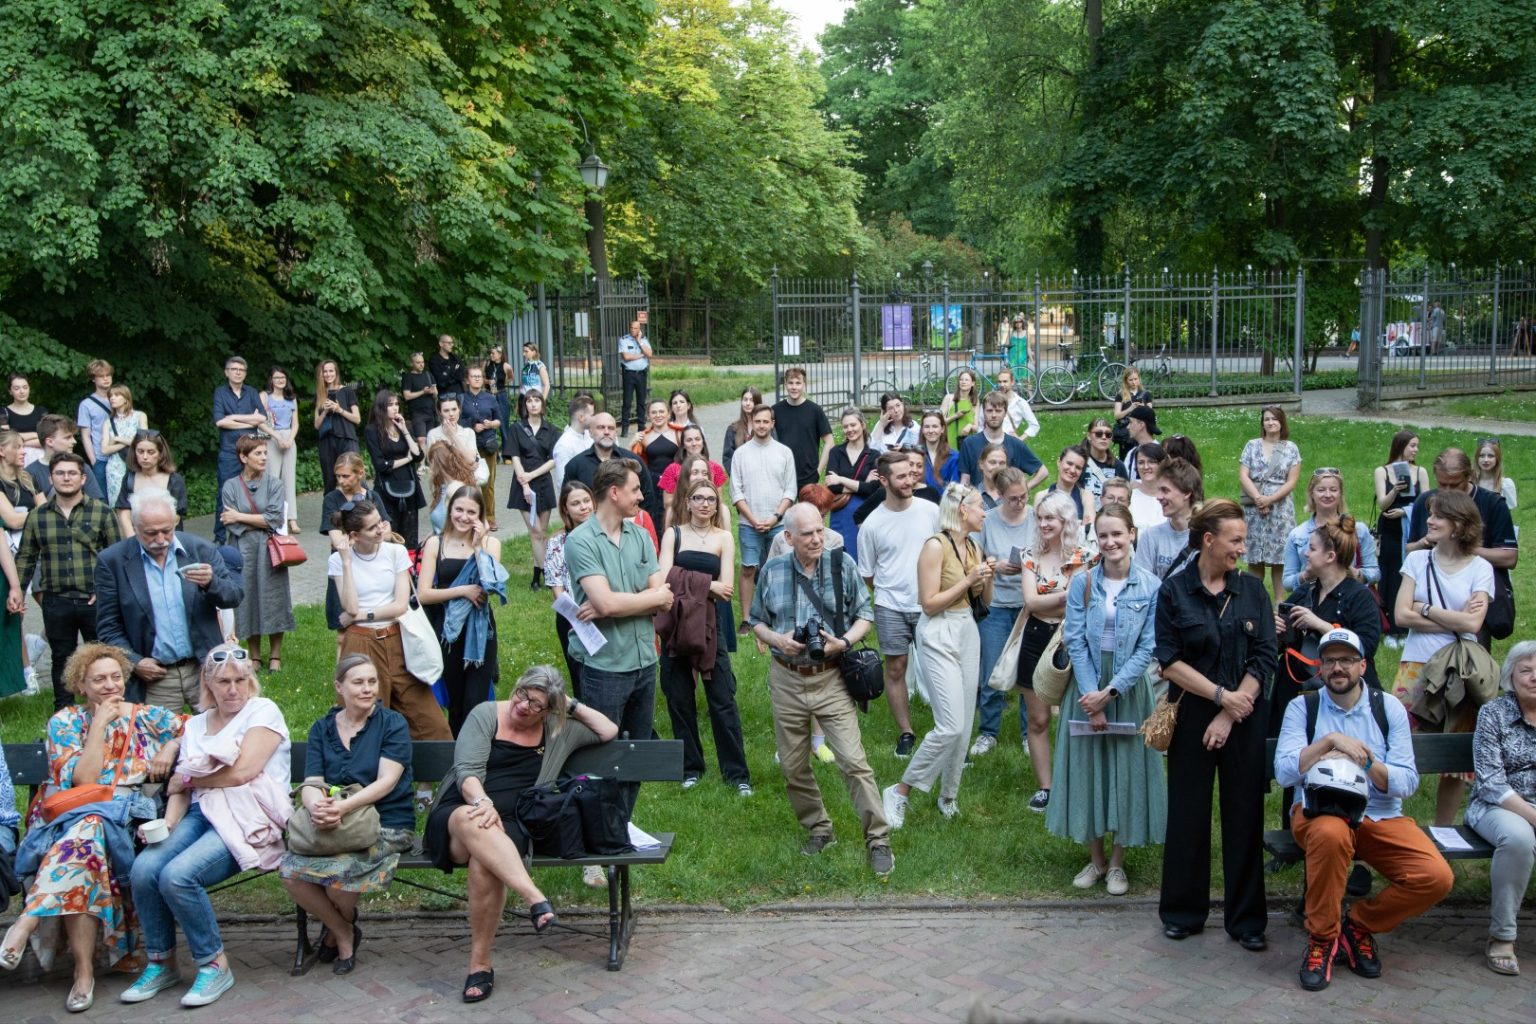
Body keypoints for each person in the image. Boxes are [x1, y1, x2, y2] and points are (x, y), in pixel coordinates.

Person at [1, 645, 182, 1013]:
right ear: (80, 685)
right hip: (68, 821)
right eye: (98, 679)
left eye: (116, 677)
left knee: (89, 833)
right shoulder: (65, 723)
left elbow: (201, 726)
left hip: (122, 823)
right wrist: (99, 724)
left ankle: (28, 922)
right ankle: (83, 973)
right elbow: (83, 782)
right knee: (87, 838)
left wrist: (173, 745)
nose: (110, 686)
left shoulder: (146, 716)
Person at [422, 666, 617, 1003]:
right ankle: (534, 899)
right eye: (523, 694)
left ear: (550, 711)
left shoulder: (558, 730)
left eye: (537, 705)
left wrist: (568, 705)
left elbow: (608, 729)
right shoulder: (485, 715)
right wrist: (483, 802)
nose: (524, 706)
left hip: (513, 822)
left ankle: (480, 966)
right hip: (461, 810)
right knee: (474, 820)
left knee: (486, 863)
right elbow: (466, 772)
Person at [1275, 627, 1451, 992]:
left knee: (1435, 877)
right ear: (1320, 668)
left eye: (1347, 660)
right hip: (1317, 812)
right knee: (1330, 832)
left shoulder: (1388, 709)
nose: (1338, 668)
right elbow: (1283, 772)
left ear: (1363, 666)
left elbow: (1406, 781)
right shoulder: (1302, 706)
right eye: (1330, 661)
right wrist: (1327, 743)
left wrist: (1366, 762)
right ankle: (1322, 938)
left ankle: (1359, 925)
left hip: (1380, 814)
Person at [124, 645, 291, 1008]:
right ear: (208, 683)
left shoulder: (263, 711)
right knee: (144, 868)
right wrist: (166, 824)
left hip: (247, 818)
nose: (233, 689)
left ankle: (214, 964)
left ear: (251, 681)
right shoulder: (197, 724)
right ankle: (161, 962)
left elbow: (243, 772)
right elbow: (181, 792)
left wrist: (187, 781)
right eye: (224, 682)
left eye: (241, 680)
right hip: (201, 815)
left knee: (178, 876)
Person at [1157, 499, 1277, 948]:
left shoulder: (1252, 591)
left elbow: (1265, 655)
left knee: (1243, 814)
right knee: (1187, 812)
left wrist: (1230, 710)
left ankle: (1246, 922)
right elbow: (1168, 660)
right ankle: (1183, 912)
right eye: (1236, 541)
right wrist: (1217, 698)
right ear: (1209, 540)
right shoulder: (1174, 592)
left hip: (1244, 715)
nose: (1242, 550)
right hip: (1191, 714)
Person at [749, 503, 894, 876]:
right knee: (794, 766)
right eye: (808, 534)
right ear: (788, 537)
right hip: (787, 677)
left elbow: (866, 614)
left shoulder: (840, 564)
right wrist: (778, 639)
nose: (817, 539)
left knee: (854, 762)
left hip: (831, 675)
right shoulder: (773, 569)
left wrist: (843, 643)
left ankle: (878, 839)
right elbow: (755, 621)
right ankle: (819, 829)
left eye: (820, 531)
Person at [1048, 503, 1165, 895]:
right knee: (1088, 770)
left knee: (1126, 772)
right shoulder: (1083, 583)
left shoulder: (1151, 586)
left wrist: (1112, 692)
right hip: (1086, 687)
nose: (1111, 541)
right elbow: (1076, 640)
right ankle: (1095, 859)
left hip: (1128, 690)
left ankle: (1117, 863)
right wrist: (1090, 695)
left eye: (1118, 533)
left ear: (1132, 534)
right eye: (1103, 535)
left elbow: (1148, 648)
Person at [280, 654, 416, 975]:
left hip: (386, 825)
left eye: (372, 681)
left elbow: (386, 782)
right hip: (335, 825)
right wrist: (317, 808)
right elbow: (312, 781)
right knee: (289, 873)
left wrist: (341, 807)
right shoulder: (321, 729)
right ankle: (344, 930)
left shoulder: (392, 724)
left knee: (337, 882)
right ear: (339, 687)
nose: (367, 689)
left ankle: (336, 935)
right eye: (358, 682)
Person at [564, 459, 674, 816]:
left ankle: (619, 830)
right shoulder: (581, 541)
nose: (642, 496)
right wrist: (624, 602)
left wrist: (615, 604)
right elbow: (613, 602)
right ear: (614, 493)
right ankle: (594, 846)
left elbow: (664, 597)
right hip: (605, 666)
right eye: (635, 489)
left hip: (645, 661)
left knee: (634, 757)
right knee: (601, 759)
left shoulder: (641, 534)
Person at [882, 482, 993, 828]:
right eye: (979, 505)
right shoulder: (935, 546)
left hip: (966, 630)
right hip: (938, 631)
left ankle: (949, 796)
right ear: (962, 509)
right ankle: (899, 791)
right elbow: (928, 604)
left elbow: (984, 602)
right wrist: (969, 579)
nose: (984, 512)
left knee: (964, 726)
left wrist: (987, 575)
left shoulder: (974, 546)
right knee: (949, 725)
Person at [1393, 489, 1493, 825]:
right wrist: (1452, 615)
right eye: (1430, 514)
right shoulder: (1417, 560)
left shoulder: (1481, 568)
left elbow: (1473, 623)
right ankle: (1391, 824)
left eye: (1438, 516)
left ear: (1459, 524)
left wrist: (1424, 608)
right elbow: (1400, 616)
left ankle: (1443, 832)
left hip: (1460, 671)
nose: (1429, 521)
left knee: (1455, 755)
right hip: (1416, 665)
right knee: (1398, 742)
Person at [95, 489, 244, 709]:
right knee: (161, 740)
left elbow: (233, 596)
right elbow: (108, 627)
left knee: (218, 737)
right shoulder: (112, 561)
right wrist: (135, 662)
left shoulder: (199, 549)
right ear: (135, 528)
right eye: (151, 533)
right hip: (156, 676)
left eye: (167, 530)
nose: (161, 539)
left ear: (175, 522)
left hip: (204, 669)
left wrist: (212, 583)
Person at [657, 477, 751, 795]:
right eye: (698, 498)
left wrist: (698, 585)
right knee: (680, 700)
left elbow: (725, 589)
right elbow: (663, 578)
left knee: (723, 700)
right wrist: (705, 585)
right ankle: (691, 768)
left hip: (710, 626)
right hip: (676, 625)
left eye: (710, 499)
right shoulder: (674, 534)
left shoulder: (724, 537)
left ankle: (737, 775)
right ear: (687, 502)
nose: (705, 504)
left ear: (716, 504)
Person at [329, 500, 452, 740]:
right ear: (355, 535)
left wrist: (361, 615)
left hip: (397, 639)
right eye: (373, 527)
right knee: (362, 717)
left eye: (381, 521)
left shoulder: (395, 553)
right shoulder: (338, 561)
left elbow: (398, 606)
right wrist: (345, 560)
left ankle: (428, 777)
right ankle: (367, 773)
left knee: (431, 722)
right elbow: (350, 606)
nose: (382, 528)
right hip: (360, 644)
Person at [14, 452, 118, 710]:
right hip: (56, 600)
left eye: (72, 473)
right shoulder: (38, 517)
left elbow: (116, 556)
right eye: (60, 473)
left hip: (94, 598)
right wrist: (16, 590)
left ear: (83, 478)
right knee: (62, 657)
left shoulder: (102, 512)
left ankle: (108, 708)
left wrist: (106, 591)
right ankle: (64, 713)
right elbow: (26, 557)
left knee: (103, 656)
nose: (66, 478)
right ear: (51, 478)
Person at [858, 451, 941, 758]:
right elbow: (868, 574)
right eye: (902, 476)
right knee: (895, 668)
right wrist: (892, 591)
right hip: (890, 606)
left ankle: (945, 730)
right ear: (884, 480)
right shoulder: (872, 524)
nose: (910, 481)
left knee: (937, 668)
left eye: (911, 474)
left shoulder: (931, 511)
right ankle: (906, 732)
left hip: (929, 604)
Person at [1017, 491, 1090, 810]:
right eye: (1041, 517)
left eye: (1051, 518)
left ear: (1066, 521)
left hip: (1071, 640)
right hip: (1035, 637)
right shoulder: (1029, 555)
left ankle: (1077, 781)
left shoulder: (1084, 556)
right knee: (1038, 718)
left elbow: (1084, 603)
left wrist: (1059, 599)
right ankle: (1046, 787)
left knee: (1075, 715)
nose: (1044, 523)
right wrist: (1065, 596)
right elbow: (1031, 602)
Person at [1404, 447, 1518, 649]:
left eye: (1454, 485)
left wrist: (1462, 545)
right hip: (1431, 597)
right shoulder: (1425, 501)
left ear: (1469, 476)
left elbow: (1509, 557)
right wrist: (1425, 543)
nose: (1447, 492)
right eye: (1442, 485)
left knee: (1471, 669)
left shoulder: (1492, 503)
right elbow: (1410, 548)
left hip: (1472, 600)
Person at [1468, 642, 1536, 977]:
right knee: (1519, 838)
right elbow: (1491, 782)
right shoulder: (1493, 714)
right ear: (1511, 676)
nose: (1535, 677)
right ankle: (1502, 938)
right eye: (1526, 670)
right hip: (1497, 806)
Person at [419, 486, 505, 736]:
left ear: (480, 516)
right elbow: (424, 593)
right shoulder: (436, 543)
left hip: (479, 630)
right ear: (449, 510)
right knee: (455, 702)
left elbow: (490, 586)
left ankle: (478, 757)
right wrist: (463, 591)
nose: (464, 517)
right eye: (459, 509)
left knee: (476, 702)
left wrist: (478, 548)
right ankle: (458, 760)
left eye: (471, 512)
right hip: (447, 631)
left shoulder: (491, 544)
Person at [971, 467, 1033, 757]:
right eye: (1013, 499)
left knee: (1028, 673)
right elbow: (976, 559)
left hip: (1029, 604)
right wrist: (995, 565)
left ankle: (1029, 733)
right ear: (1000, 496)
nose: (1019, 503)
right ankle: (988, 732)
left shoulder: (1035, 517)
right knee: (992, 671)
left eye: (1023, 497)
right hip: (996, 603)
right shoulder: (988, 521)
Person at [219, 434, 294, 672]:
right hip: (242, 549)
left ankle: (275, 655)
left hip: (270, 548)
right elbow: (229, 523)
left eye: (265, 453)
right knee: (247, 597)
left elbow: (274, 519)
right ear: (243, 457)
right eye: (258, 453)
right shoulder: (230, 485)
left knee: (273, 597)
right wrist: (257, 521)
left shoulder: (275, 484)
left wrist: (241, 516)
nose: (264, 457)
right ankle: (254, 655)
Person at [730, 404, 797, 633]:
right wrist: (753, 518)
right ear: (752, 423)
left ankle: (776, 615)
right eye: (757, 421)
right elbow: (736, 492)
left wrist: (776, 516)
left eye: (765, 421)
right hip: (749, 523)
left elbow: (790, 489)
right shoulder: (741, 454)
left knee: (779, 568)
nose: (761, 425)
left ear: (772, 424)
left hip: (778, 523)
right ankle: (748, 618)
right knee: (749, 568)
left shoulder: (784, 452)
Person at [563, 412, 661, 543]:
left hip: (630, 533)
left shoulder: (633, 461)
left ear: (615, 433)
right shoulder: (575, 465)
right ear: (590, 432)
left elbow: (647, 498)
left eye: (611, 428)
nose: (606, 432)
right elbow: (567, 501)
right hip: (589, 536)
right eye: (600, 427)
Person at [1238, 404, 1302, 603]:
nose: (1270, 422)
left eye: (1274, 419)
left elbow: (1292, 481)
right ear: (1262, 423)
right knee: (1255, 556)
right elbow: (1243, 475)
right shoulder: (1252, 445)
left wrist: (1270, 499)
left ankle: (1279, 602)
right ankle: (1255, 601)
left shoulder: (1290, 448)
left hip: (1280, 509)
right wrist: (1259, 498)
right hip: (1254, 508)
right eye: (1266, 419)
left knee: (1279, 558)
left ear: (1281, 422)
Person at [1373, 430, 1429, 646]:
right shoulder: (1382, 471)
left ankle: (1406, 627)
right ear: (1400, 446)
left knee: (1409, 575)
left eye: (1417, 446)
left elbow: (1427, 503)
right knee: (1389, 574)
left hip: (1411, 529)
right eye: (1412, 445)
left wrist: (1405, 512)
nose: (1415, 450)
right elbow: (1383, 504)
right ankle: (1389, 627)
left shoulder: (1420, 471)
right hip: (1389, 528)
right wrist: (1395, 490)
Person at [545, 481, 596, 690]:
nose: (583, 507)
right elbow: (557, 588)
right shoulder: (557, 541)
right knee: (580, 677)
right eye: (576, 503)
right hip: (572, 617)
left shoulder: (605, 535)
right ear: (565, 508)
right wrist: (576, 616)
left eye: (586, 501)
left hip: (606, 611)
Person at [211, 357, 266, 545]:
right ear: (226, 372)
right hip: (229, 451)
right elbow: (220, 421)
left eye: (241, 369)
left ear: (245, 373)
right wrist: (249, 419)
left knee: (254, 490)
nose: (237, 372)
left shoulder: (251, 392)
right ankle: (220, 537)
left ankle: (251, 529)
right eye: (233, 369)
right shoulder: (220, 393)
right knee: (224, 492)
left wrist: (233, 417)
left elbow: (262, 419)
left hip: (251, 450)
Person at [507, 388, 559, 587]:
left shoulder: (552, 430)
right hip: (522, 485)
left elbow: (553, 459)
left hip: (543, 483)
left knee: (542, 533)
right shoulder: (516, 429)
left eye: (537, 400)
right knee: (536, 532)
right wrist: (525, 482)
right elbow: (514, 457)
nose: (533, 404)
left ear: (542, 404)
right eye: (529, 401)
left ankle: (536, 577)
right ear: (524, 405)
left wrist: (533, 475)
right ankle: (548, 574)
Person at [364, 389, 425, 554]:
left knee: (410, 538)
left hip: (410, 487)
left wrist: (405, 430)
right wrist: (407, 459)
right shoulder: (372, 431)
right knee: (390, 536)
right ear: (381, 408)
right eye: (390, 405)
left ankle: (411, 571)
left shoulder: (406, 426)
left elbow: (419, 455)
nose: (395, 408)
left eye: (397, 404)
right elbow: (381, 465)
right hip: (386, 488)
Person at [957, 390, 1046, 490]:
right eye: (989, 410)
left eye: (998, 411)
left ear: (1005, 413)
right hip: (978, 502)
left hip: (1007, 502)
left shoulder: (1016, 444)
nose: (994, 415)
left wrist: (1022, 490)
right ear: (983, 412)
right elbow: (965, 480)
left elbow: (1043, 472)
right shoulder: (969, 443)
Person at [1134, 457, 1200, 580]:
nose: (1158, 497)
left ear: (1186, 493)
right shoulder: (1151, 537)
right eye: (1158, 490)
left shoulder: (1206, 537)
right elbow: (1142, 586)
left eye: (1165, 490)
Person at [824, 407, 878, 558]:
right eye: (845, 426)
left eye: (853, 425)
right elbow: (832, 486)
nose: (849, 429)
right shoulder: (836, 452)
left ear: (863, 424)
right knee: (838, 558)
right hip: (840, 512)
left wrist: (841, 479)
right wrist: (862, 484)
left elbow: (873, 489)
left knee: (861, 557)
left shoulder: (874, 455)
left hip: (863, 514)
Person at [773, 367, 833, 492]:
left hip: (808, 475)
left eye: (798, 383)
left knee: (807, 511)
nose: (794, 387)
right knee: (783, 512)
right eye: (790, 383)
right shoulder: (775, 410)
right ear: (785, 385)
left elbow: (830, 442)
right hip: (781, 474)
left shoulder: (815, 410)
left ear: (804, 385)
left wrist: (818, 471)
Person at [459, 366, 502, 530]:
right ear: (467, 379)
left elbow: (499, 420)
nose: (477, 379)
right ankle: (470, 516)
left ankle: (490, 517)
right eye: (473, 376)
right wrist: (472, 425)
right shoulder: (461, 399)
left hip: (487, 444)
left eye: (479, 376)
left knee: (488, 483)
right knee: (468, 482)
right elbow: (456, 420)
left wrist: (491, 424)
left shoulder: (490, 398)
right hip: (468, 447)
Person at [26, 414, 105, 500]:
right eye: (68, 438)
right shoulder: (29, 473)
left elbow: (97, 505)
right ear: (50, 442)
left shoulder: (82, 467)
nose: (74, 441)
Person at [260, 368, 301, 535]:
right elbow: (261, 422)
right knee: (272, 479)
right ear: (271, 380)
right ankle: (273, 518)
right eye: (276, 377)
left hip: (289, 438)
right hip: (272, 438)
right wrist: (276, 437)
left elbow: (296, 423)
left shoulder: (291, 399)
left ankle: (292, 519)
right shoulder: (264, 397)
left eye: (282, 377)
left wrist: (290, 439)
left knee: (289, 479)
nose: (280, 380)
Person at [313, 359, 362, 495]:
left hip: (347, 439)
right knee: (329, 481)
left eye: (331, 371)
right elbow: (317, 425)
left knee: (354, 476)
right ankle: (331, 514)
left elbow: (357, 419)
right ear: (321, 374)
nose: (328, 374)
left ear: (336, 372)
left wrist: (339, 409)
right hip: (327, 441)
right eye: (325, 371)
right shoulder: (320, 394)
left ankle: (360, 512)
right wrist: (326, 411)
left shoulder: (347, 391)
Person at [320, 452, 388, 550]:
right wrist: (373, 535)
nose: (340, 481)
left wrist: (351, 539)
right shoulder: (331, 499)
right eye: (338, 476)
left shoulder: (372, 496)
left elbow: (388, 534)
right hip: (345, 559)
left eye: (345, 476)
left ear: (360, 474)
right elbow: (338, 543)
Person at [97, 384, 147, 508]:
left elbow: (144, 440)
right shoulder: (108, 422)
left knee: (139, 503)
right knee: (119, 505)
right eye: (110, 396)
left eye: (117, 395)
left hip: (136, 464)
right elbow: (104, 450)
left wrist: (118, 440)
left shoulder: (139, 416)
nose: (112, 398)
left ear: (126, 398)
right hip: (115, 468)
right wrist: (126, 442)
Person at [631, 399, 677, 529]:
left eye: (662, 411)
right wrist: (631, 443)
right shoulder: (643, 436)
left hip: (674, 482)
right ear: (648, 415)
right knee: (654, 518)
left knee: (673, 516)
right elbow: (632, 461)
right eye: (654, 412)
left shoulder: (678, 433)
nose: (658, 415)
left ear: (668, 413)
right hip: (653, 482)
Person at [77, 358, 116, 501]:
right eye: (101, 376)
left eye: (108, 375)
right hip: (101, 457)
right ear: (93, 379)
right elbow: (85, 435)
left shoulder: (120, 398)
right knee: (103, 500)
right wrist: (94, 461)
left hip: (122, 455)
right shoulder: (86, 405)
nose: (106, 379)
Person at [1038, 445, 1096, 538]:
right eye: (1069, 463)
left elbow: (1088, 530)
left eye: (1078, 467)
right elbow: (1037, 530)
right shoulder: (1042, 496)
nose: (1072, 470)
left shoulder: (1086, 496)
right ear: (1059, 462)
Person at [425, 393, 486, 479]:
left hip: (468, 481)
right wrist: (465, 465)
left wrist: (453, 435)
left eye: (454, 409)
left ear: (459, 410)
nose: (451, 414)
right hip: (444, 483)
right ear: (440, 412)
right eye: (446, 410)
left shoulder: (468, 432)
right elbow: (434, 465)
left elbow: (471, 460)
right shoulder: (433, 434)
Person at [656, 425, 726, 496]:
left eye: (697, 439)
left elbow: (719, 500)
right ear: (683, 445)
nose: (694, 443)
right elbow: (668, 504)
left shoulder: (716, 468)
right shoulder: (672, 470)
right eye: (689, 440)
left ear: (703, 442)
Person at [425, 441, 477, 537]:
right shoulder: (442, 488)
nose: (428, 467)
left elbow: (477, 523)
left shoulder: (454, 488)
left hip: (453, 548)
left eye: (429, 463)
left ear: (435, 462)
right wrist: (431, 536)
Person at [552, 393, 595, 494]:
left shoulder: (589, 435)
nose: (595, 418)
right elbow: (563, 481)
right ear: (581, 417)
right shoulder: (565, 444)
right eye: (592, 415)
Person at [618, 320, 653, 434]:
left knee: (641, 401)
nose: (633, 330)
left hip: (641, 374)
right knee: (627, 402)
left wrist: (639, 342)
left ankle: (641, 427)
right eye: (632, 328)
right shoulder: (624, 339)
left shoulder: (644, 340)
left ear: (639, 329)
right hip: (629, 374)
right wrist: (641, 355)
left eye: (635, 328)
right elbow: (626, 357)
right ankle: (624, 428)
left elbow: (650, 354)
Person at [1081, 417, 1126, 505]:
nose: (1104, 437)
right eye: (1099, 434)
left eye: (1108, 434)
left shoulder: (1119, 466)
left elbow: (1126, 495)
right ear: (1089, 436)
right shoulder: (1080, 463)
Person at [400, 351, 439, 450]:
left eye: (422, 362)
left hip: (431, 411)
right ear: (411, 363)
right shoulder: (408, 377)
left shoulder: (428, 375)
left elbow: (436, 393)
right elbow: (407, 396)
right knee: (421, 439)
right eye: (418, 362)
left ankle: (431, 462)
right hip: (417, 413)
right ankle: (422, 464)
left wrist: (432, 391)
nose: (421, 364)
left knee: (432, 439)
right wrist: (423, 392)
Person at [1112, 367, 1153, 460]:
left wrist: (1144, 408)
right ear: (1126, 381)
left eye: (1136, 379)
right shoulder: (1120, 395)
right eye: (1131, 380)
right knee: (1126, 458)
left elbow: (1151, 415)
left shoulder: (1146, 394)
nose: (1134, 382)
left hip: (1142, 432)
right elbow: (1116, 416)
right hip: (1127, 433)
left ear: (1139, 379)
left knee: (1142, 457)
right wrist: (1130, 409)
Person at [6, 373, 46, 464]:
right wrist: (35, 434)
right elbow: (5, 439)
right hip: (13, 460)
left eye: (25, 387)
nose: (22, 391)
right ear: (10, 391)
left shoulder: (41, 411)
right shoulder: (4, 413)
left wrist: (19, 441)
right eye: (17, 388)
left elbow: (47, 439)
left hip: (40, 459)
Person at [721, 386, 762, 476]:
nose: (747, 403)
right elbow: (727, 457)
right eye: (745, 399)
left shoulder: (765, 427)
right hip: (740, 479)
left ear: (758, 403)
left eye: (751, 400)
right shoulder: (732, 429)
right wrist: (738, 476)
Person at [1129, 442, 1169, 531]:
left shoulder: (1171, 497)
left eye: (1151, 462)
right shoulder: (1129, 496)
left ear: (1161, 464)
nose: (1146, 467)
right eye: (1141, 462)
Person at [918, 410, 959, 492]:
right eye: (926, 427)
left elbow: (955, 489)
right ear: (922, 429)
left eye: (935, 426)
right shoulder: (915, 455)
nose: (930, 431)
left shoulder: (954, 457)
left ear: (942, 429)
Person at [995, 367, 1041, 440]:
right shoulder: (991, 400)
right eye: (999, 382)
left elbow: (1035, 425)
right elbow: (981, 424)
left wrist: (1020, 439)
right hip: (991, 441)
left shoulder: (1020, 402)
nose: (1002, 384)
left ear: (1012, 382)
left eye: (1005, 381)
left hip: (1009, 441)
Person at [1119, 406, 1161, 484]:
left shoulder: (1160, 452)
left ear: (1141, 425)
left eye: (1131, 422)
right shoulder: (1131, 453)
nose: (1128, 427)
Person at [940, 369, 980, 448]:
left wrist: (970, 426)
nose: (963, 382)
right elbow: (939, 422)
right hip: (950, 442)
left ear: (973, 383)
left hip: (968, 443)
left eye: (966, 380)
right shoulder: (949, 398)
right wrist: (955, 416)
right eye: (961, 379)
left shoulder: (975, 401)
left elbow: (976, 427)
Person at [1474, 436, 1517, 510]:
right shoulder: (1470, 482)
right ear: (1477, 458)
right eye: (1482, 456)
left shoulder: (1505, 485)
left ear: (1497, 459)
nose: (1486, 460)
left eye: (1490, 456)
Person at [428, 333, 465, 401]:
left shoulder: (455, 358)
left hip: (459, 393)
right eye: (449, 343)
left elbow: (461, 375)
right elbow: (440, 381)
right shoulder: (434, 360)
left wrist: (447, 373)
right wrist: (453, 370)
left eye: (452, 343)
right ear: (441, 344)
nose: (452, 345)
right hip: (445, 394)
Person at [516, 341, 550, 414]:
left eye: (526, 351)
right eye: (523, 351)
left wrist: (542, 402)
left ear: (534, 352)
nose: (523, 354)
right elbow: (522, 386)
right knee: (524, 422)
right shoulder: (525, 367)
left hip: (534, 399)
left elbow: (547, 385)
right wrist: (517, 403)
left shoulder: (540, 366)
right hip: (523, 398)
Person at [974, 442, 1010, 511]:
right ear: (981, 464)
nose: (997, 467)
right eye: (992, 462)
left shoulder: (1013, 495)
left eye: (1002, 463)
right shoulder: (971, 496)